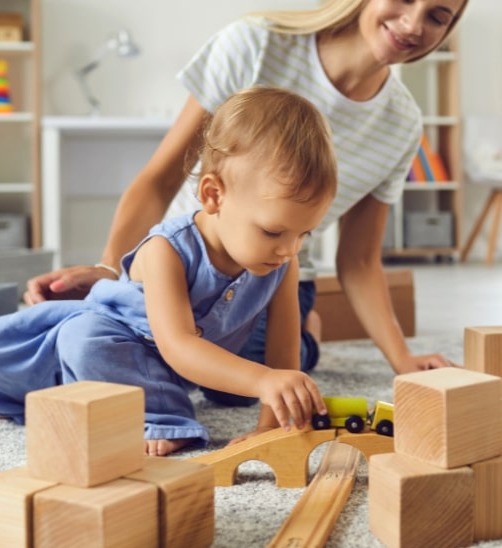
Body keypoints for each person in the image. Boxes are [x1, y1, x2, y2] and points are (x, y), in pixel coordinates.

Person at [24, 0, 468, 404]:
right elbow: (160, 180)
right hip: (177, 264)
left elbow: (360, 258)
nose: (413, 24)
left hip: (271, 278)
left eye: (437, 16)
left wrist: (401, 359)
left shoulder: (403, 122)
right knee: (82, 339)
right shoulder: (255, 44)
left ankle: (305, 330)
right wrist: (110, 276)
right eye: (406, 0)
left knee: (240, 384)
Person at [0, 86, 338, 456]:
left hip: (182, 367)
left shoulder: (281, 263)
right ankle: (25, 401)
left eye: (304, 233)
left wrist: (270, 426)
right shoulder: (166, 249)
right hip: (122, 340)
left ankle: (105, 403)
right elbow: (179, 346)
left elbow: (283, 351)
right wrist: (261, 380)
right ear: (213, 195)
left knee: (247, 383)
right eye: (273, 231)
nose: (290, 249)